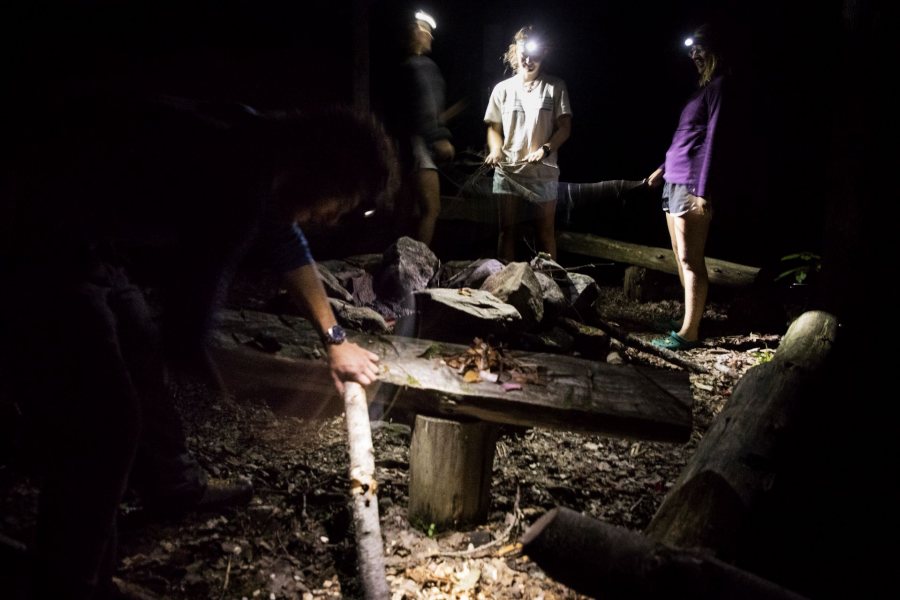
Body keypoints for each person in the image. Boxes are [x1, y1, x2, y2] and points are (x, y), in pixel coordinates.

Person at [0, 95, 397, 599]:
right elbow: (187, 339)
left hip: (95, 244)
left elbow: (286, 244)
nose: (331, 218)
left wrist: (335, 340)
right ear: (323, 171)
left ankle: (170, 483)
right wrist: (293, 383)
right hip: (36, 235)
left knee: (137, 342)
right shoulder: (236, 176)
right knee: (105, 426)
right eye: (341, 202)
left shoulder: (267, 149)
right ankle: (69, 581)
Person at [646, 23, 734, 350]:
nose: (694, 54)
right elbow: (686, 137)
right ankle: (689, 320)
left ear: (716, 50)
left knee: (690, 259)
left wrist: (702, 189)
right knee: (678, 255)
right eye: (691, 49)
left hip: (692, 182)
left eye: (700, 48)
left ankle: (689, 333)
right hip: (674, 177)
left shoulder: (720, 87)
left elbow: (714, 140)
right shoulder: (701, 89)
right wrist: (662, 168)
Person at [483, 25, 572, 261]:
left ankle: (549, 279)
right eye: (524, 55)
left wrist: (545, 149)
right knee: (507, 231)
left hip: (543, 173)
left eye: (535, 56)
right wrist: (495, 150)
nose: (529, 61)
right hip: (509, 172)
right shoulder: (502, 89)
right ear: (516, 52)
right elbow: (493, 127)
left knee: (545, 233)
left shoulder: (555, 86)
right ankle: (505, 279)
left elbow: (564, 128)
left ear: (544, 54)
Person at [386, 9, 456, 248]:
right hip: (419, 147)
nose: (430, 36)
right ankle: (417, 261)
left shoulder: (402, 67)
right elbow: (426, 108)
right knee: (431, 208)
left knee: (405, 208)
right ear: (414, 33)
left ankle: (395, 256)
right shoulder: (422, 67)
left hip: (403, 148)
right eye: (425, 30)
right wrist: (439, 137)